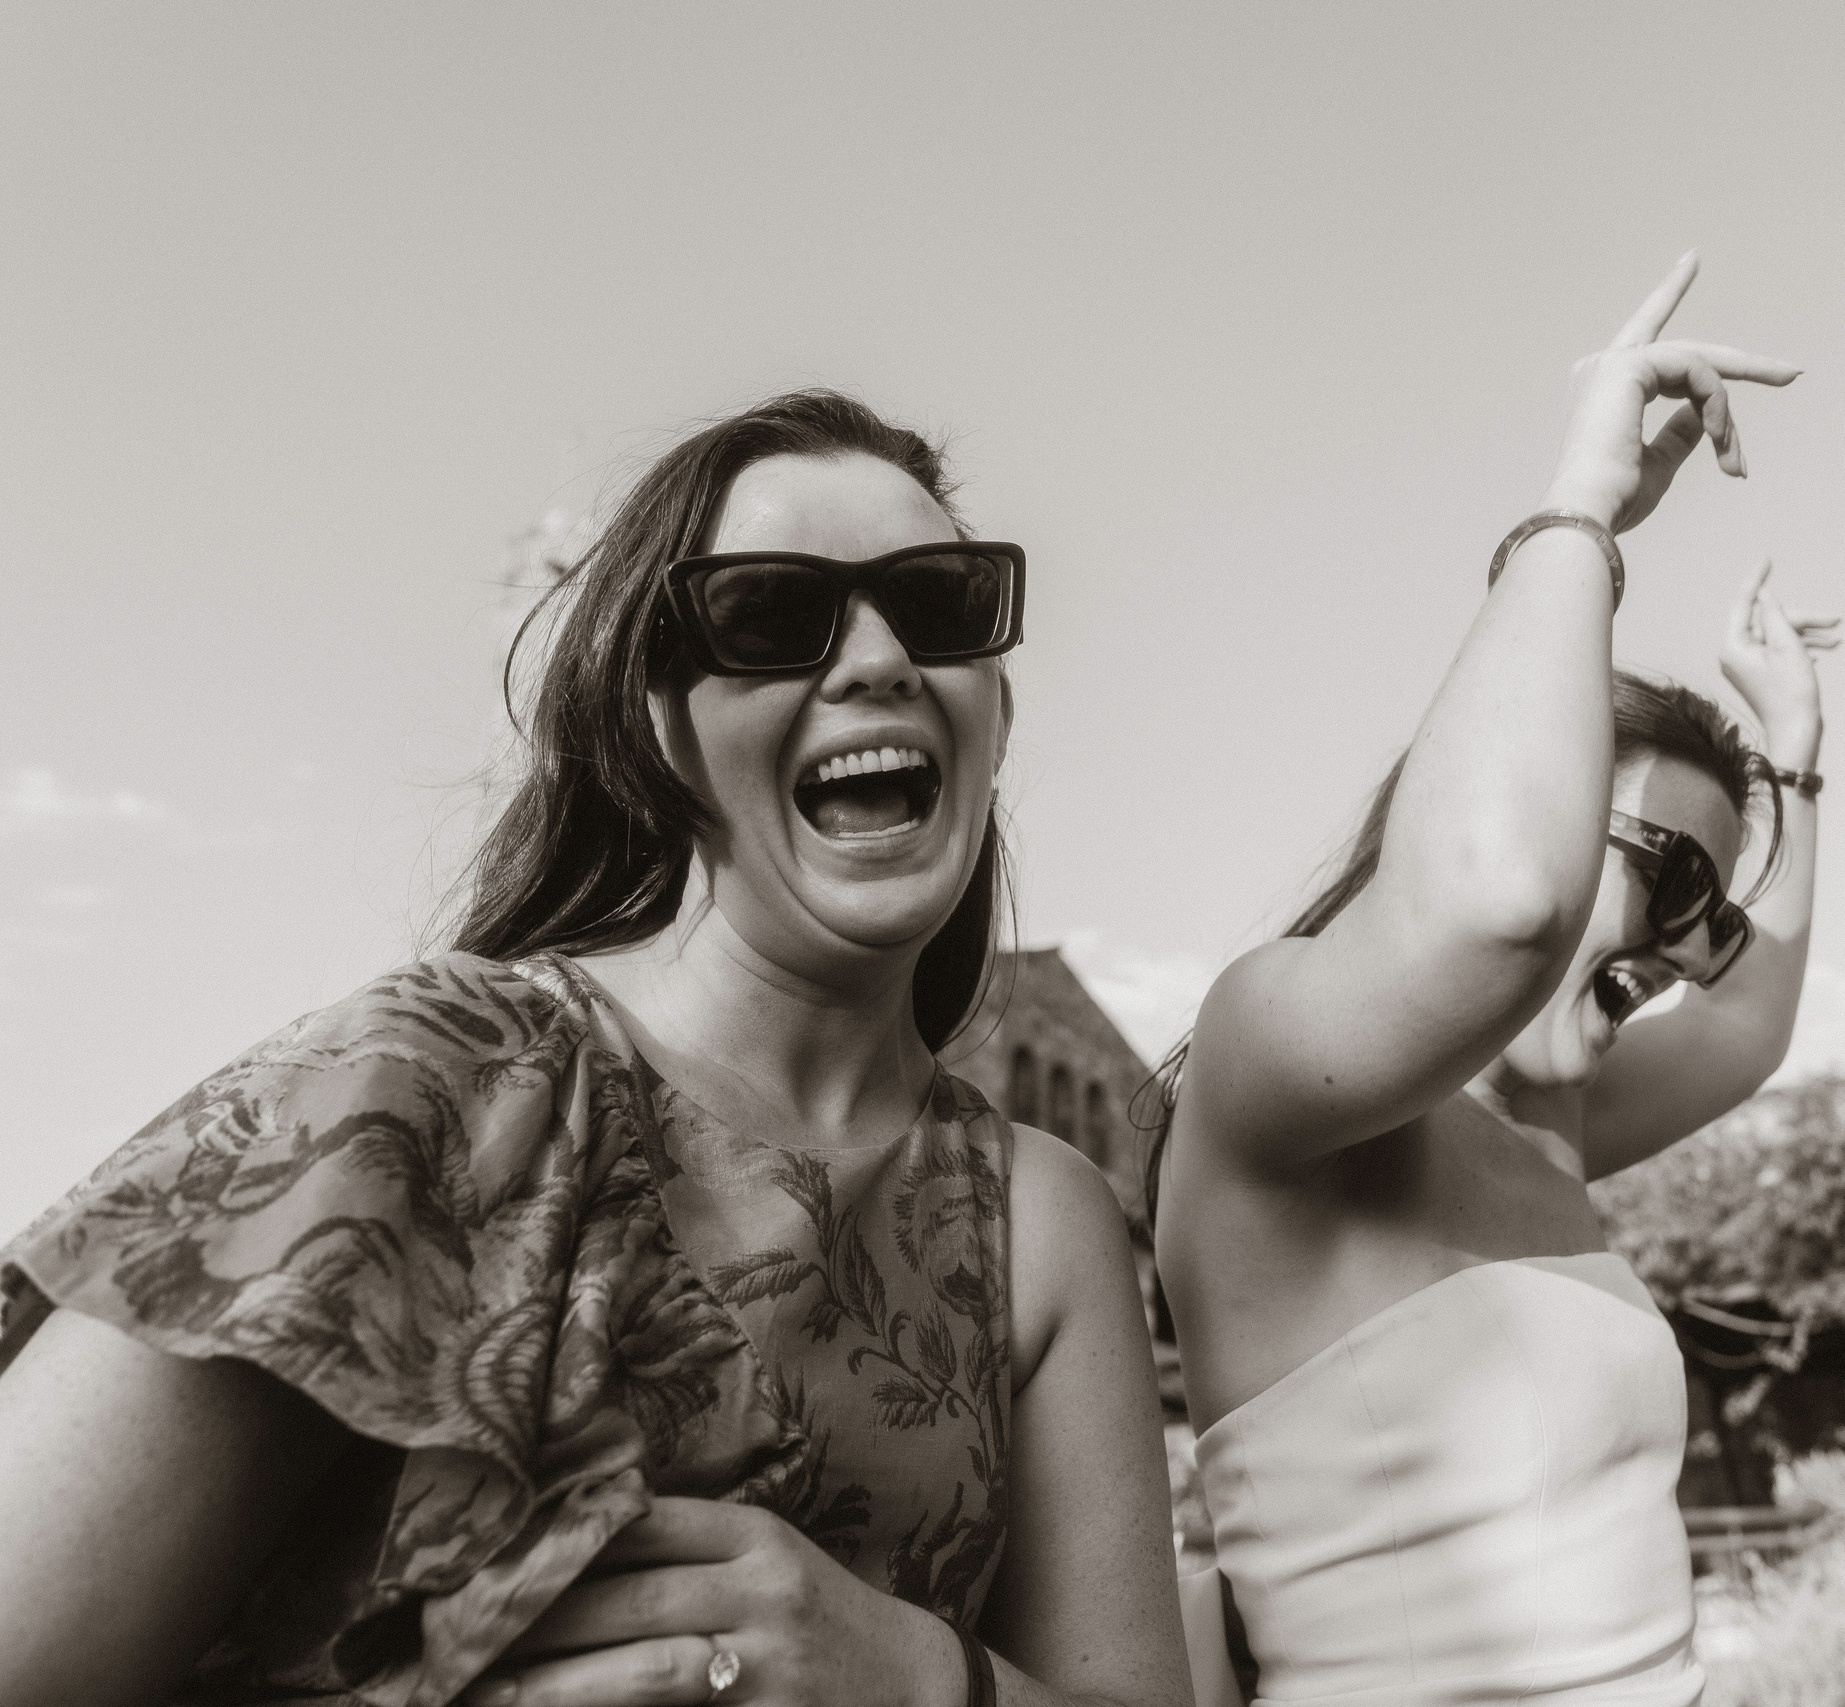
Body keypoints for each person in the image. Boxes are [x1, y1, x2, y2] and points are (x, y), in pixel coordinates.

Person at [0, 391, 1189, 1707]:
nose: (876, 656)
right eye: (771, 614)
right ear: (660, 727)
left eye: (941, 600)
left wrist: (914, 1670)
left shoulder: (1043, 1213)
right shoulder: (425, 1082)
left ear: (996, 711)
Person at [1151, 254, 1829, 1707]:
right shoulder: (1274, 1059)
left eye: (1714, 897)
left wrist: (1793, 762)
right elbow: (1502, 901)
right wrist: (1578, 506)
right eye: (1669, 871)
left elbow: (1752, 1025)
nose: (1686, 943)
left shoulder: (1549, 1125)